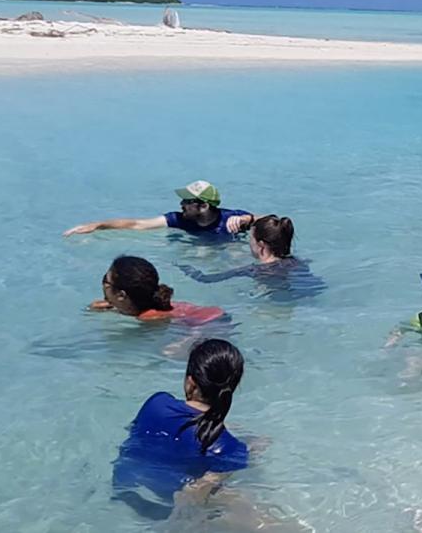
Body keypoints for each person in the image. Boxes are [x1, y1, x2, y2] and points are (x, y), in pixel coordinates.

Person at [112, 339, 249, 519]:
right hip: (168, 508)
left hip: (127, 493)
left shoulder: (156, 403)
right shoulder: (229, 448)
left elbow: (133, 431)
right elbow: (199, 493)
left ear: (191, 382)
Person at [178, 215, 326, 301]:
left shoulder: (254, 270)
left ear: (260, 245)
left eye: (250, 239)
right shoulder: (299, 262)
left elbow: (205, 279)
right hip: (310, 294)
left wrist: (183, 266)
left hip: (277, 305)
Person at [63, 180, 254, 238]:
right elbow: (137, 224)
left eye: (187, 201)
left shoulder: (230, 218)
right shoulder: (177, 220)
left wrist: (248, 219)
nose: (181, 205)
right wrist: (98, 225)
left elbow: (272, 221)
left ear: (203, 206)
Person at [91, 256, 224, 324]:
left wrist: (185, 342)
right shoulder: (152, 304)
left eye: (105, 280)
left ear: (121, 294)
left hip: (215, 322)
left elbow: (211, 317)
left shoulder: (149, 317)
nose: (103, 284)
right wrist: (114, 307)